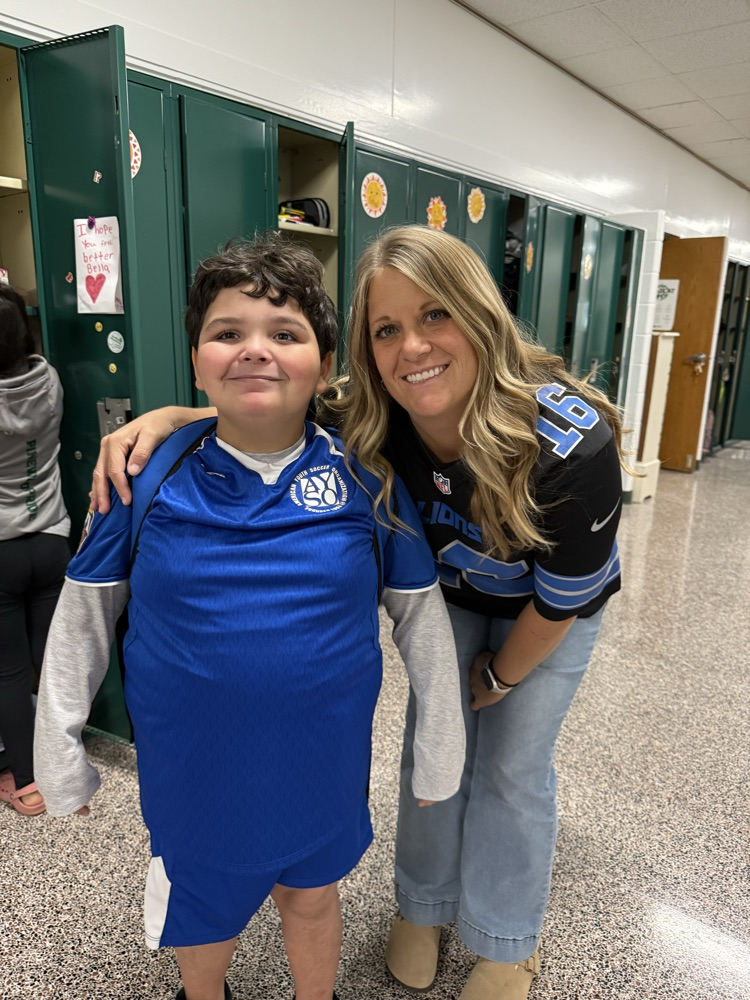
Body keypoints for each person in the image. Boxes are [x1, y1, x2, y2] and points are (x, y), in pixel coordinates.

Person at [90, 225, 626, 1000]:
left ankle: (506, 941)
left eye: (436, 315)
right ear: (367, 351)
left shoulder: (573, 447)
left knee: (509, 765)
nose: (414, 347)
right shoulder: (368, 413)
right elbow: (258, 403)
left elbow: (563, 597)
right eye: (387, 329)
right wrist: (168, 420)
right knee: (428, 755)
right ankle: (423, 908)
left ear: (481, 316)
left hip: (544, 612)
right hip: (449, 594)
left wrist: (502, 676)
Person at [34, 233, 465, 1000]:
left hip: (320, 766)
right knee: (203, 913)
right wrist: (59, 749)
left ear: (325, 365)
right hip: (193, 770)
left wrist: (439, 746)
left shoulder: (364, 480)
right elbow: (83, 620)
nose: (255, 351)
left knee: (312, 896)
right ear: (197, 357)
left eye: (285, 335)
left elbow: (422, 624)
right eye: (228, 334)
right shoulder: (144, 474)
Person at [0, 284, 70, 817]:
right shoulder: (47, 380)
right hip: (50, 539)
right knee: (49, 663)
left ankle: (24, 783)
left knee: (10, 672)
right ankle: (56, 766)